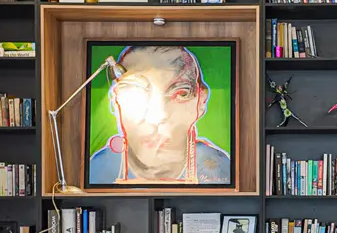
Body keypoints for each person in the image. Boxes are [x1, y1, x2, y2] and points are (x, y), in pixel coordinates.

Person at [88, 45, 231, 184]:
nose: (157, 116)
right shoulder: (97, 170)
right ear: (115, 102)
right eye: (135, 94)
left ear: (201, 101)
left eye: (181, 94)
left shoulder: (220, 170)